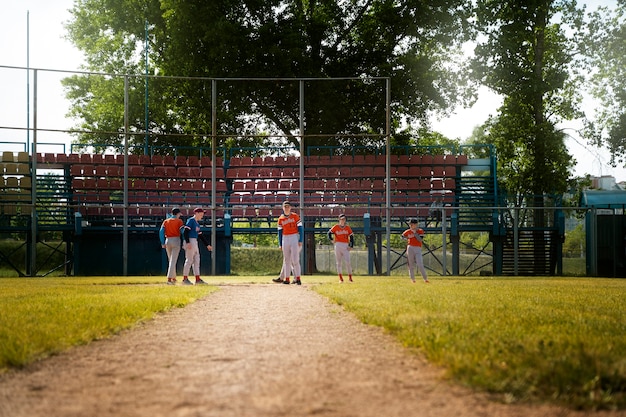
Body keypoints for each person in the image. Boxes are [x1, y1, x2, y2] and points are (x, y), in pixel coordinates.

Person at [181, 207, 212, 285]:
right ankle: (185, 279)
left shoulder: (197, 223)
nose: (202, 215)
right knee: (189, 260)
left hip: (194, 241)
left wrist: (207, 245)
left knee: (196, 260)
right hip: (190, 240)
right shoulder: (191, 220)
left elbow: (200, 235)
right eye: (201, 213)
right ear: (196, 213)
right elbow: (185, 232)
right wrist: (187, 242)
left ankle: (197, 279)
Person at [276, 200, 303, 285]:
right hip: (285, 238)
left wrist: (300, 240)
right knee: (287, 260)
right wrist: (280, 243)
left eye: (288, 206)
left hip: (294, 236)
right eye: (285, 207)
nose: (286, 208)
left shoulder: (295, 216)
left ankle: (298, 278)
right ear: (283, 208)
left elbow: (301, 229)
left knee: (295, 259)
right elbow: (280, 233)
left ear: (290, 208)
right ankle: (287, 279)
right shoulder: (281, 219)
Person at [159, 207, 184, 285]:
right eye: (179, 214)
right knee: (173, 261)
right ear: (178, 213)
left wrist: (162, 242)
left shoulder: (166, 221)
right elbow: (182, 231)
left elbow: (161, 232)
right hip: (176, 239)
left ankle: (173, 278)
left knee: (171, 260)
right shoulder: (179, 221)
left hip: (168, 240)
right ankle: (169, 279)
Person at [327, 213, 354, 283]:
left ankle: (350, 278)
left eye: (344, 219)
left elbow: (351, 237)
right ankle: (340, 278)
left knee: (348, 262)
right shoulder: (336, 227)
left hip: (345, 245)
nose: (343, 220)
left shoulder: (347, 227)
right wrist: (331, 239)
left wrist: (351, 245)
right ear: (339, 220)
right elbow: (329, 233)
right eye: (341, 219)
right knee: (338, 263)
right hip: (338, 244)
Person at [401, 218, 429, 283]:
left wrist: (415, 233)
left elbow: (420, 239)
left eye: (412, 224)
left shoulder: (420, 231)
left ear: (416, 224)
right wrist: (407, 237)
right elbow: (402, 237)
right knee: (410, 264)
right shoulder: (408, 231)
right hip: (410, 247)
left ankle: (425, 278)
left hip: (417, 248)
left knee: (420, 263)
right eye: (410, 224)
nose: (410, 226)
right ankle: (412, 279)